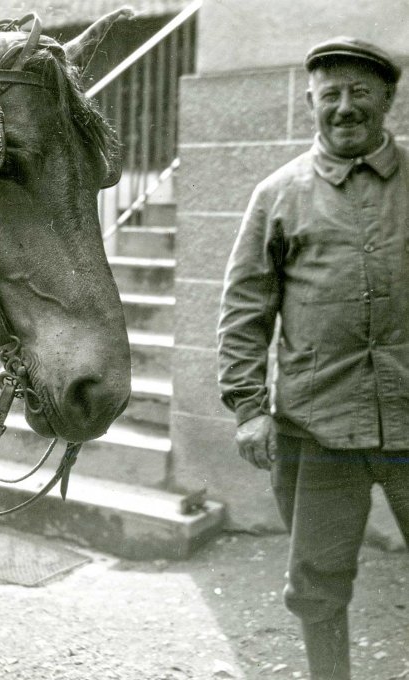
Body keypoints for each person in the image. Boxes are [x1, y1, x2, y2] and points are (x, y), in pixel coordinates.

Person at [217, 36, 409, 680]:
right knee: (317, 583)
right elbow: (244, 311)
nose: (346, 107)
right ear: (310, 104)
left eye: (361, 92)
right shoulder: (277, 194)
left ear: (388, 98)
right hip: (317, 425)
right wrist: (248, 408)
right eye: (331, 95)